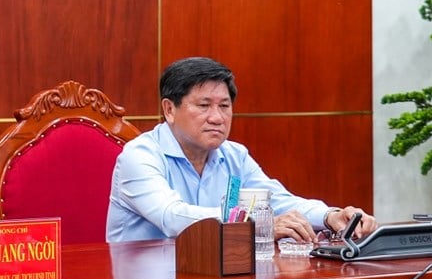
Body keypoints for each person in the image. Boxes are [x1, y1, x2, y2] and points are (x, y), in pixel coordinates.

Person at [106, 56, 376, 243]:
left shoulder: (234, 155)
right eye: (204, 106)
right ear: (169, 110)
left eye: (224, 106)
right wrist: (257, 224)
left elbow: (277, 202)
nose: (217, 117)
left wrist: (330, 217)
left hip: (213, 277)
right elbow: (171, 217)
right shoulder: (140, 155)